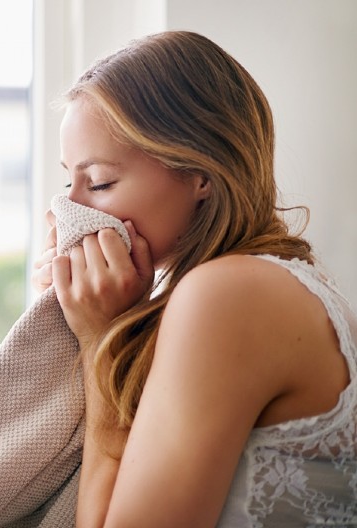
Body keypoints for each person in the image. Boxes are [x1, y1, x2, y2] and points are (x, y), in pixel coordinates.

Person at [31, 31, 357, 526]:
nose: (70, 208)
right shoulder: (262, 282)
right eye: (67, 181)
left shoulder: (229, 294)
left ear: (200, 174)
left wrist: (99, 339)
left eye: (99, 181)